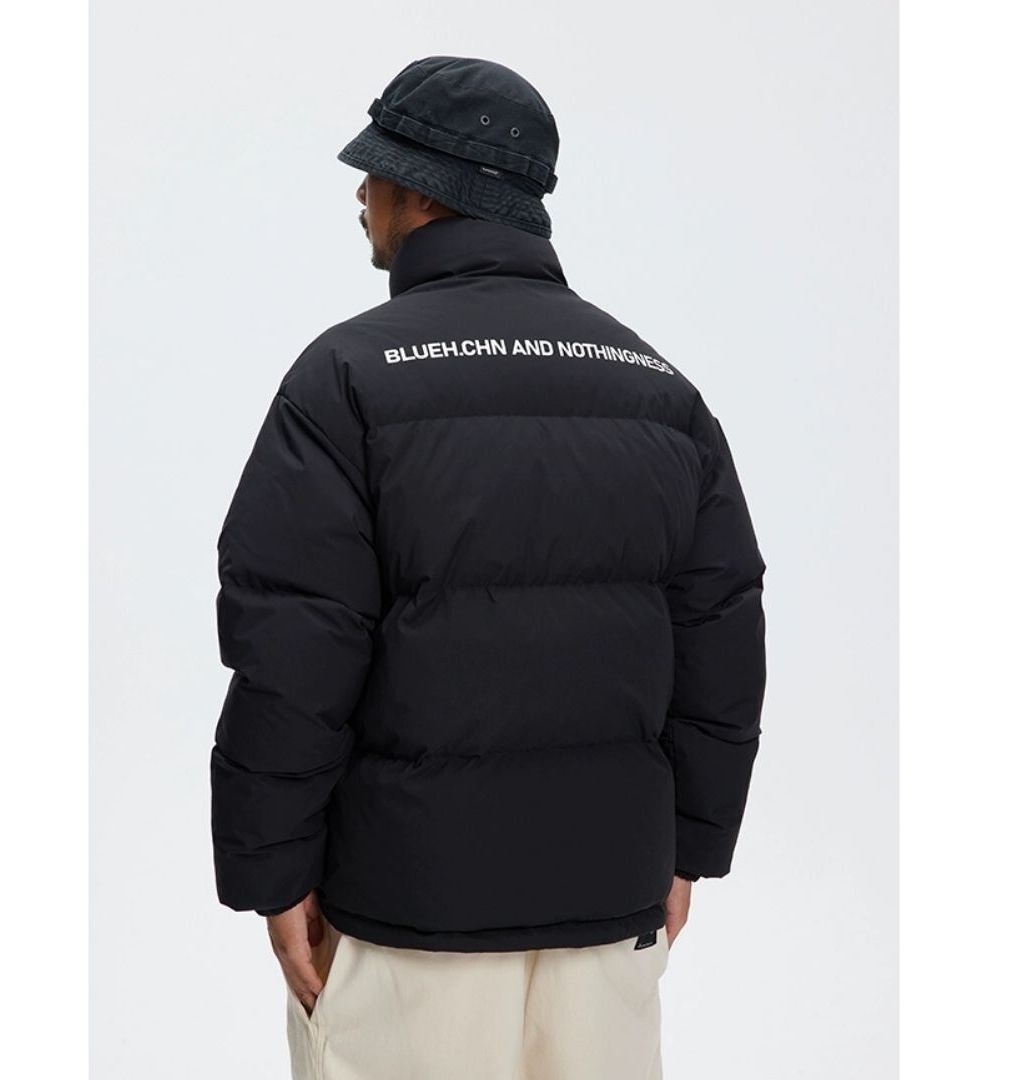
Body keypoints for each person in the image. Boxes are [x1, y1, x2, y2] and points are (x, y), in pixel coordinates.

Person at [211, 55, 767, 1080]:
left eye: (375, 176)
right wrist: (688, 850)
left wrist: (271, 871)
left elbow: (293, 650)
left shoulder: (346, 379)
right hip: (609, 905)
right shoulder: (659, 390)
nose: (362, 197)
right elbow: (722, 644)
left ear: (423, 194)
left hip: (405, 915)